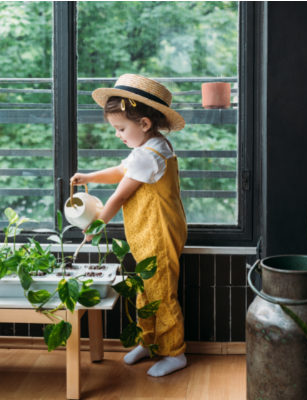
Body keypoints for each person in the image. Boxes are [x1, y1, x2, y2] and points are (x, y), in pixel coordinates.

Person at [71, 74, 188, 377]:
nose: (118, 135)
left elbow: (120, 194)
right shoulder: (150, 148)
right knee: (146, 289)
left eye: (121, 128)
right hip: (148, 233)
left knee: (160, 292)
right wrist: (89, 176)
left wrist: (98, 224)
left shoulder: (149, 157)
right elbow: (120, 171)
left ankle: (174, 352)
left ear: (145, 124)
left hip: (158, 234)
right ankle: (148, 342)